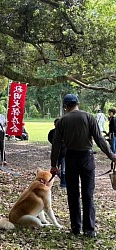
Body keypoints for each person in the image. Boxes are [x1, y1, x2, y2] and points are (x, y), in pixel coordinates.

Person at [50, 94, 116, 238]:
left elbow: (56, 145)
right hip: (87, 158)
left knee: (73, 194)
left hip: (71, 158)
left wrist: (53, 165)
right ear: (77, 103)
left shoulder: (62, 121)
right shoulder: (88, 117)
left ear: (65, 106)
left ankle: (75, 227)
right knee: (88, 194)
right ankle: (89, 229)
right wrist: (111, 156)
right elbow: (99, 139)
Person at [48, 118, 66, 188]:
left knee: (64, 170)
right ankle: (63, 180)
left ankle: (63, 183)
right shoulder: (52, 132)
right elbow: (50, 139)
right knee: (55, 169)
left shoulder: (65, 132)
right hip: (56, 153)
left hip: (64, 153)